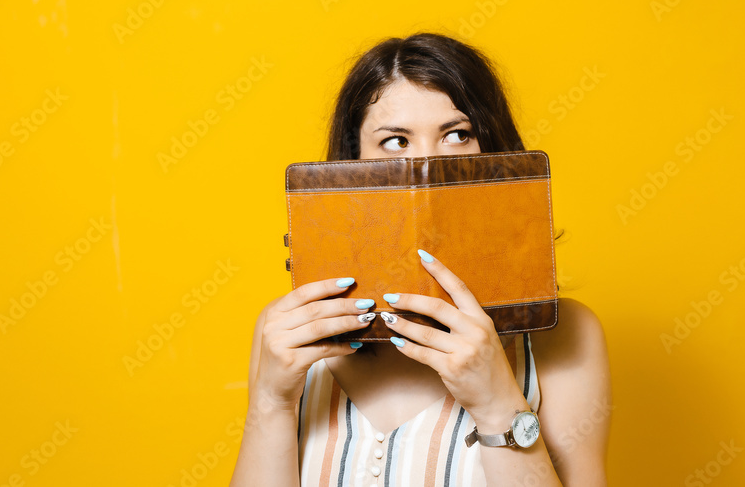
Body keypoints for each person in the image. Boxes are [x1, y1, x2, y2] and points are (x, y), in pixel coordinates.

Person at [230, 33, 612, 486]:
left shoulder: (563, 338)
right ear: (352, 164)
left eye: (458, 134)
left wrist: (496, 402)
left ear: (495, 155)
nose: (428, 163)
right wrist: (271, 404)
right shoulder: (289, 336)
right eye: (395, 141)